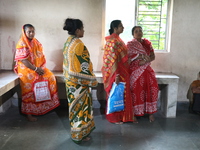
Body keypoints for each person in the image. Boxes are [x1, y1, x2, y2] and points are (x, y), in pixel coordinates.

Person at [14, 24, 60, 122]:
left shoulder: (36, 42)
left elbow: (41, 56)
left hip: (36, 67)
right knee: (29, 86)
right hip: (26, 69)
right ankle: (29, 114)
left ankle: (42, 107)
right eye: (29, 32)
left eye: (33, 31)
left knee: (50, 77)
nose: (31, 33)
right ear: (24, 32)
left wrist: (40, 68)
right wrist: (35, 69)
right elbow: (24, 60)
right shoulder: (21, 43)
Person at [62, 18, 98, 143]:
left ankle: (77, 132)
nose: (83, 31)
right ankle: (79, 135)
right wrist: (92, 79)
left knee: (74, 108)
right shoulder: (78, 44)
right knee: (81, 109)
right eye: (82, 28)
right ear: (77, 30)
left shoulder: (68, 42)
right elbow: (84, 65)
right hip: (79, 84)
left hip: (70, 83)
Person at [102, 20, 134, 124]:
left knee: (122, 94)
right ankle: (114, 118)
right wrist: (116, 75)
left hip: (123, 70)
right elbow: (112, 61)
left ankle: (123, 117)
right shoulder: (113, 41)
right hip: (118, 72)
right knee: (116, 94)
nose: (123, 27)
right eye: (121, 26)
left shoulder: (117, 39)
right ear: (115, 28)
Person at [127, 26, 159, 123]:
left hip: (147, 70)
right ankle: (134, 114)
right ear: (133, 34)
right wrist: (141, 58)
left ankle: (150, 112)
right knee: (136, 91)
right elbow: (128, 57)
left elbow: (152, 55)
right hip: (135, 70)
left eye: (140, 30)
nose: (139, 32)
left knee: (152, 88)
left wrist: (148, 59)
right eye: (136, 31)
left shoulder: (147, 43)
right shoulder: (130, 44)